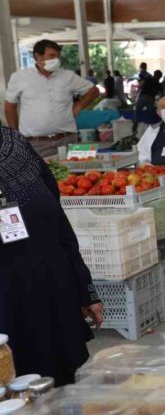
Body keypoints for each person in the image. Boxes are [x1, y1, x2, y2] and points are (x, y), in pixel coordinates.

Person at [0, 127, 102, 384]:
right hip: (8, 304)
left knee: (63, 384)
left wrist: (84, 289)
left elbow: (59, 221)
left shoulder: (15, 144)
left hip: (54, 286)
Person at [4, 39, 99, 158]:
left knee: (80, 174)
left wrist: (79, 106)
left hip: (68, 139)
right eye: (52, 55)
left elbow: (94, 91)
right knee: (39, 176)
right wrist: (16, 136)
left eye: (58, 56)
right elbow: (9, 107)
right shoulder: (20, 77)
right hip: (36, 144)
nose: (56, 59)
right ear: (38, 56)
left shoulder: (68, 76)